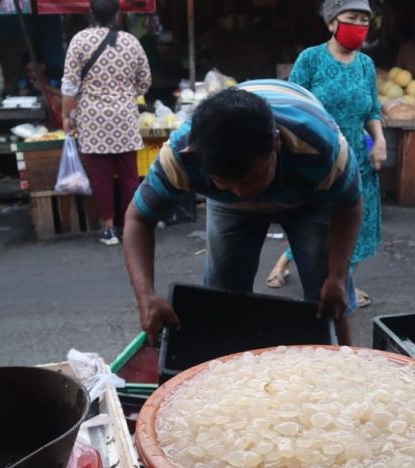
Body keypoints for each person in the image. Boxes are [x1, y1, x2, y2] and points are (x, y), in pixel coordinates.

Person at [124, 81, 363, 346]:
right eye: (226, 183)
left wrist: (338, 276)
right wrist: (146, 297)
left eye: (253, 179)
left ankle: (343, 369)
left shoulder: (323, 147)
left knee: (327, 294)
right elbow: (138, 218)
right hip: (229, 211)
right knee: (224, 295)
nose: (244, 194)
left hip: (309, 199)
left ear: (276, 144)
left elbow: (350, 203)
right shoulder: (181, 155)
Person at [265, 0, 385, 310]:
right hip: (316, 157)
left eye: (363, 20)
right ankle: (286, 263)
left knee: (356, 225)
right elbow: (290, 104)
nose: (358, 25)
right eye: (351, 18)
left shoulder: (366, 65)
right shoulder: (311, 59)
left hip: (357, 158)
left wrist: (380, 140)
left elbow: (372, 109)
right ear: (332, 23)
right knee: (315, 223)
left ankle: (345, 283)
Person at [61, 0, 151, 246]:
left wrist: (66, 115)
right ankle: (133, 226)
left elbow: (69, 85)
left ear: (91, 13)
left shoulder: (79, 40)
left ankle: (109, 229)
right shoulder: (131, 42)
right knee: (129, 175)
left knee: (100, 176)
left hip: (92, 119)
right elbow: (145, 82)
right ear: (118, 14)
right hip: (124, 117)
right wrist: (124, 93)